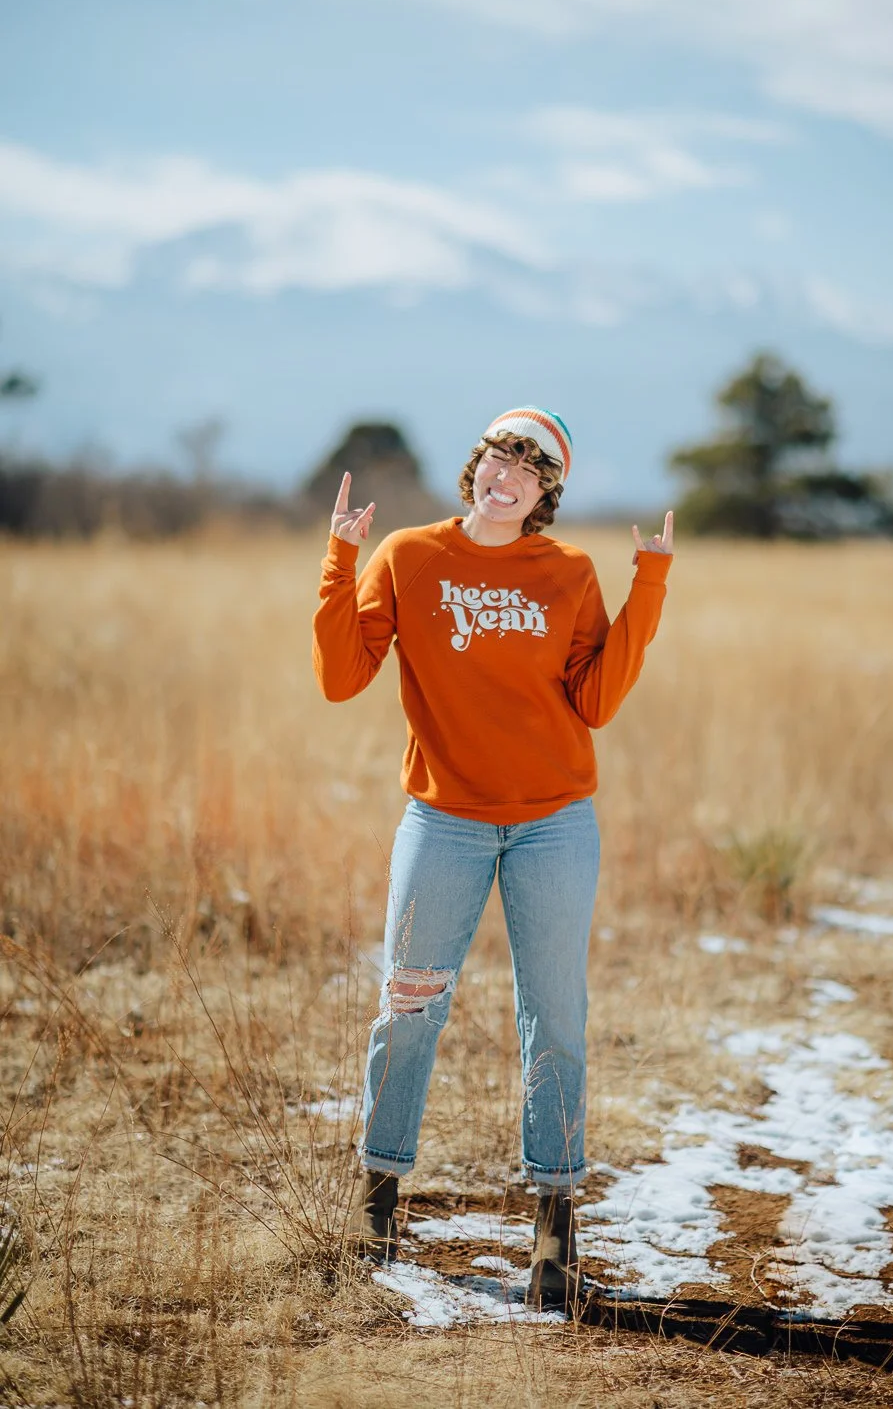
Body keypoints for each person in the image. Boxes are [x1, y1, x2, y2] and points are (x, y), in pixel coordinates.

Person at [312, 406, 673, 1309]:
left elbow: (592, 700)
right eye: (495, 458)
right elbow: (339, 677)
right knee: (407, 1008)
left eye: (528, 468)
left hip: (555, 823)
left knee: (554, 1016)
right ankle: (379, 1203)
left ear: (547, 492)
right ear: (474, 467)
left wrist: (650, 587)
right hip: (443, 820)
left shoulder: (567, 572)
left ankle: (555, 1230)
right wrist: (338, 559)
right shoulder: (409, 556)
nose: (504, 476)